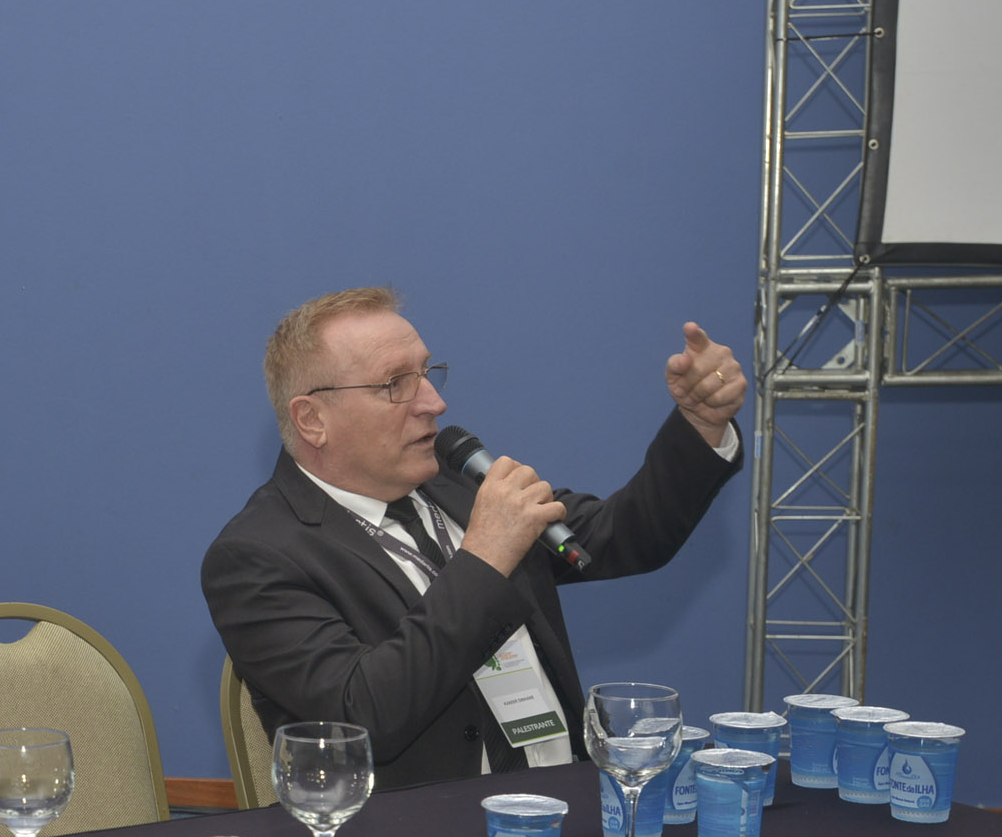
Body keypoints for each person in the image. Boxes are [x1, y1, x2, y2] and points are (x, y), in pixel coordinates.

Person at [201, 286, 747, 792]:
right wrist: (485, 556)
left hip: (569, 806)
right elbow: (363, 716)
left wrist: (701, 425)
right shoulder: (257, 557)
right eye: (395, 384)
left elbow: (622, 535)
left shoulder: (458, 482)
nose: (433, 403)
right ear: (312, 420)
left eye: (427, 373)